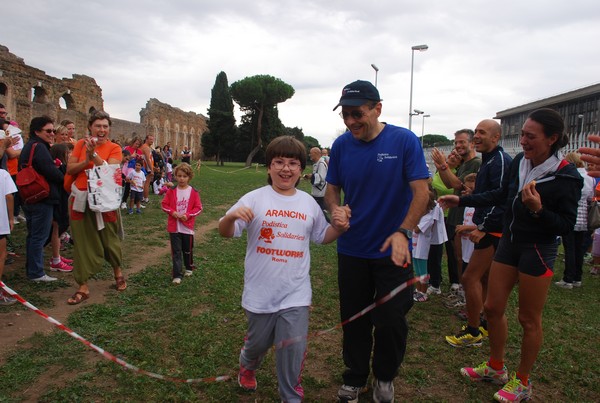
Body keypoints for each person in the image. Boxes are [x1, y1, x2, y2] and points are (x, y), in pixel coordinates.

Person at [439, 108, 582, 403]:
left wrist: (538, 210)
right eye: (522, 135)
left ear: (552, 138)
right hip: (509, 243)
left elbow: (566, 225)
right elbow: (500, 195)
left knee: (528, 318)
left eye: (530, 136)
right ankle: (495, 366)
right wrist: (462, 198)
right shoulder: (520, 162)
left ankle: (523, 381)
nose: (524, 141)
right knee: (492, 308)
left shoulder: (565, 175)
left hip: (538, 250)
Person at [218, 136, 348, 403]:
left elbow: (322, 236)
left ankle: (290, 395)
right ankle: (248, 363)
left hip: (296, 294)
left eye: (293, 163)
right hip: (260, 293)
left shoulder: (308, 203)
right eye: (279, 162)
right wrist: (229, 217)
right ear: (269, 167)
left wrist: (340, 227)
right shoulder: (254, 199)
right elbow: (226, 232)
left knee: (293, 347)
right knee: (258, 345)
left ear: (301, 170)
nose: (285, 169)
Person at [325, 80, 430, 403]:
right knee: (353, 317)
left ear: (377, 108)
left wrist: (403, 231)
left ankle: (384, 377)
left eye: (357, 114)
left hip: (393, 250)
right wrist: (335, 210)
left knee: (390, 321)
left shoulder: (403, 141)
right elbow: (332, 188)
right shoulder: (342, 145)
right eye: (345, 115)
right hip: (352, 249)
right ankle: (355, 377)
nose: (351, 121)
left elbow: (421, 191)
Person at [445, 119, 512, 348]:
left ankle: (473, 331)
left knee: (469, 277)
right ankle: (483, 322)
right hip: (489, 229)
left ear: (496, 137)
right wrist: (462, 200)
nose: (477, 136)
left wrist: (483, 227)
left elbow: (501, 198)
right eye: (476, 132)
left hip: (494, 231)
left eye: (482, 133)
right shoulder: (489, 160)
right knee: (482, 278)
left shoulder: (500, 161)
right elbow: (485, 196)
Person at [65, 111, 126, 305]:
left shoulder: (115, 147)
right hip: (81, 197)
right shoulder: (80, 145)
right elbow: (70, 169)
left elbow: (110, 170)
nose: (101, 130)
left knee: (109, 238)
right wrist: (86, 159)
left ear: (109, 129)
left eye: (105, 126)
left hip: (104, 200)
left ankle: (117, 271)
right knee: (81, 240)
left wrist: (95, 155)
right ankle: (82, 285)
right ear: (90, 127)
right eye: (98, 126)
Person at [431, 130, 481, 286]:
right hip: (455, 214)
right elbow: (449, 183)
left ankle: (464, 292)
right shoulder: (464, 164)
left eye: (462, 142)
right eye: (456, 142)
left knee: (465, 258)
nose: (458, 146)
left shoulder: (476, 163)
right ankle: (460, 289)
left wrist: (444, 165)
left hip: (466, 216)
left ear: (472, 143)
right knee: (457, 256)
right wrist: (441, 166)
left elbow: (459, 185)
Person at [19, 116, 65, 282]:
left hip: (30, 196)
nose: (52, 134)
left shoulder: (30, 146)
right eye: (48, 131)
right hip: (41, 197)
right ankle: (36, 272)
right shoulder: (39, 147)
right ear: (37, 131)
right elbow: (51, 172)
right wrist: (61, 174)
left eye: (53, 130)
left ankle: (32, 269)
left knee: (33, 235)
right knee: (39, 236)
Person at [555, 152, 595, 289]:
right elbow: (590, 196)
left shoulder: (572, 175)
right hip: (583, 216)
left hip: (571, 214)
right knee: (578, 248)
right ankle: (577, 277)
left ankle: (568, 278)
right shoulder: (589, 177)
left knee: (569, 248)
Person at [427, 149, 462, 294]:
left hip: (451, 216)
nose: (452, 156)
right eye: (452, 153)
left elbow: (452, 188)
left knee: (451, 250)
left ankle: (455, 280)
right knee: (435, 249)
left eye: (457, 155)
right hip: (436, 214)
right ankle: (435, 281)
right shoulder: (439, 170)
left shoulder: (456, 174)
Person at [161, 163, 202, 284]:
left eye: (184, 176)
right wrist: (172, 212)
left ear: (189, 177)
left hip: (187, 227)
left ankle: (189, 267)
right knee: (176, 251)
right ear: (175, 177)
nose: (181, 178)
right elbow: (164, 205)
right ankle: (177, 275)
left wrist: (187, 215)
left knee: (187, 249)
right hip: (174, 228)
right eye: (179, 176)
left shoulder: (193, 192)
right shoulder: (171, 191)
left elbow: (198, 208)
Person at [412, 182, 447, 302]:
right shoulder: (421, 215)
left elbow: (417, 229)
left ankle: (423, 292)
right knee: (417, 270)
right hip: (415, 247)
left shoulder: (428, 217)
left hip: (422, 247)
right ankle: (417, 290)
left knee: (423, 271)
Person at [47, 143, 73, 273]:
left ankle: (57, 256)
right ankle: (56, 260)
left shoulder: (60, 167)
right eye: (68, 153)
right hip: (58, 202)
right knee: (56, 229)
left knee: (58, 230)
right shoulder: (58, 168)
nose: (70, 155)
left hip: (61, 201)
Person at [0, 167, 17, 304]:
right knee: (1, 255)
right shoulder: (3, 174)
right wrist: (11, 218)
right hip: (0, 223)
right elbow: (9, 196)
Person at [303, 146, 329, 221]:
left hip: (320, 193)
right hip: (317, 192)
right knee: (317, 211)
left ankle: (328, 224)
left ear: (315, 153)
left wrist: (311, 176)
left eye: (311, 153)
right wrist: (310, 176)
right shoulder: (317, 163)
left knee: (320, 212)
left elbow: (321, 178)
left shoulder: (321, 164)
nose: (309, 155)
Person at [140, 135, 155, 204]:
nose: (152, 141)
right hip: (146, 168)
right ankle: (145, 198)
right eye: (150, 139)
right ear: (146, 139)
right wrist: (151, 170)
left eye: (152, 139)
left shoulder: (146, 147)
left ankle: (143, 197)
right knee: (146, 183)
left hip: (146, 167)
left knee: (144, 183)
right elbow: (148, 160)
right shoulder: (146, 147)